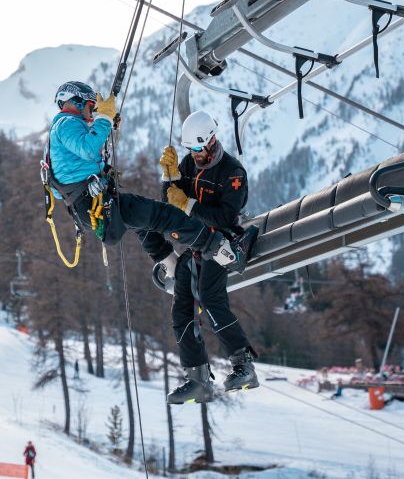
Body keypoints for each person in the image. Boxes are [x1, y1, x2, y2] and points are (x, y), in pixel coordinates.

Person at [44, 81, 257, 275]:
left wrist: (106, 124)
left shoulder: (64, 130)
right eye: (92, 106)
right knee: (164, 215)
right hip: (93, 203)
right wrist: (104, 120)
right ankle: (225, 253)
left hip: (89, 206)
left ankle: (169, 264)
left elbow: (86, 157)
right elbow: (89, 148)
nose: (93, 113)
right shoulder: (66, 123)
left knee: (143, 223)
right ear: (77, 101)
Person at [159, 110, 260, 405]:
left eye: (197, 147)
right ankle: (196, 378)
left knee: (210, 297)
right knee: (181, 307)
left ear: (211, 141)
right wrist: (169, 178)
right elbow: (172, 202)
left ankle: (243, 365)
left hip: (220, 242)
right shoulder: (189, 164)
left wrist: (189, 205)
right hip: (194, 243)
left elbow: (227, 216)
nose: (194, 154)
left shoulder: (233, 172)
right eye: (190, 148)